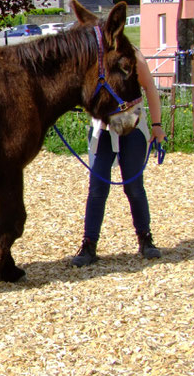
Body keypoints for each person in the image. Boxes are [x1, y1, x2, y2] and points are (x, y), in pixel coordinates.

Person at [71, 49, 167, 267]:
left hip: (131, 123)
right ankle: (89, 244)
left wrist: (157, 125)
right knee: (97, 189)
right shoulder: (93, 57)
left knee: (134, 186)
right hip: (103, 128)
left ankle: (145, 239)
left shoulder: (133, 56)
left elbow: (150, 88)